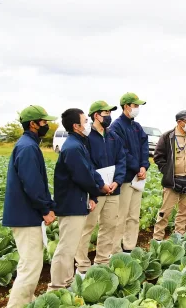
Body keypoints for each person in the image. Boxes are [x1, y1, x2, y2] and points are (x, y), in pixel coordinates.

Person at [48, 108, 108, 291]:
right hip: (70, 204)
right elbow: (83, 176)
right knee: (66, 247)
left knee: (70, 246)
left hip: (77, 201)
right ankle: (57, 286)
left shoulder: (79, 144)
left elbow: (90, 169)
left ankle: (66, 282)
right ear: (76, 126)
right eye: (85, 121)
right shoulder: (73, 147)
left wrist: (94, 192)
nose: (88, 124)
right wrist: (97, 191)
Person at [2, 105, 57, 308]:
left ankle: (27, 301)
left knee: (29, 263)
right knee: (30, 266)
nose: (46, 125)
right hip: (26, 216)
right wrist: (46, 209)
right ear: (32, 124)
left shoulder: (28, 144)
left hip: (25, 215)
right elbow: (32, 184)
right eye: (43, 122)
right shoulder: (27, 147)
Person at [74, 101, 126, 276]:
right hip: (95, 191)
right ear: (96, 115)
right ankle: (81, 265)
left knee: (109, 225)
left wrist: (117, 182)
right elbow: (86, 164)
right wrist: (99, 185)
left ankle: (102, 260)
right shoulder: (87, 138)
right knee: (88, 226)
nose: (109, 116)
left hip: (113, 190)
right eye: (106, 113)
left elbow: (121, 161)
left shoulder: (113, 137)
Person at [110, 92, 150, 253]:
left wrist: (144, 166)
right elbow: (122, 152)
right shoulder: (116, 126)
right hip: (125, 178)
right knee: (121, 215)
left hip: (137, 177)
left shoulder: (136, 126)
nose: (137, 108)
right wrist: (137, 167)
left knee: (134, 215)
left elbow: (144, 146)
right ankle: (114, 250)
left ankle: (129, 247)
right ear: (126, 106)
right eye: (135, 105)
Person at [153, 110, 186, 240]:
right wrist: (168, 172)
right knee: (165, 211)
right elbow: (158, 157)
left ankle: (179, 236)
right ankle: (157, 238)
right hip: (173, 181)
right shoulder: (168, 136)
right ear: (180, 122)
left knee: (184, 212)